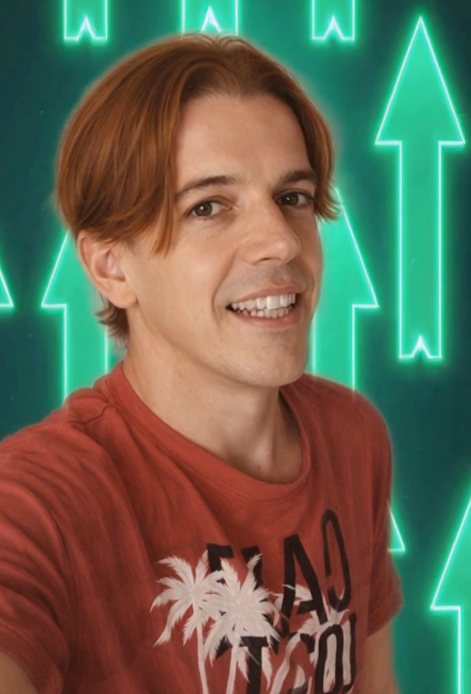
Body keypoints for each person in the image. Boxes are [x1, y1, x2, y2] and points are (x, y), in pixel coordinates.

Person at [0, 32, 402, 694]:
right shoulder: (37, 502)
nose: (281, 242)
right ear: (111, 266)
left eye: (293, 197)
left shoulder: (354, 437)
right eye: (208, 207)